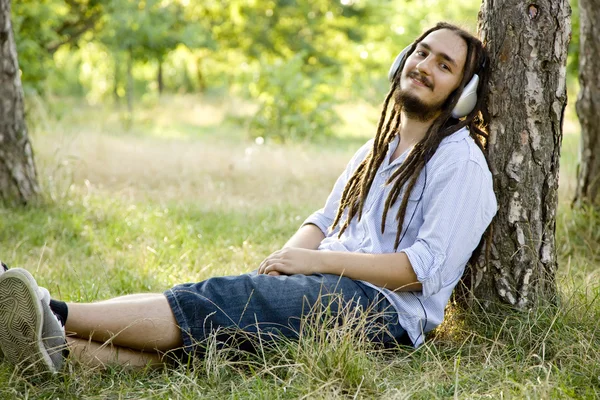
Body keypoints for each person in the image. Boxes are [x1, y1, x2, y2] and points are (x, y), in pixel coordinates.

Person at [0, 22, 497, 374]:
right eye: (422, 52)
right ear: (402, 60)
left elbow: (421, 269)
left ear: (464, 94)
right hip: (327, 282)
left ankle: (51, 310)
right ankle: (59, 350)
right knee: (204, 334)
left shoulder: (460, 163)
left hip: (383, 312)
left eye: (445, 64)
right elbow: (324, 219)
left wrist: (313, 266)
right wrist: (286, 260)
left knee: (219, 302)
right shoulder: (379, 147)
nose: (425, 65)